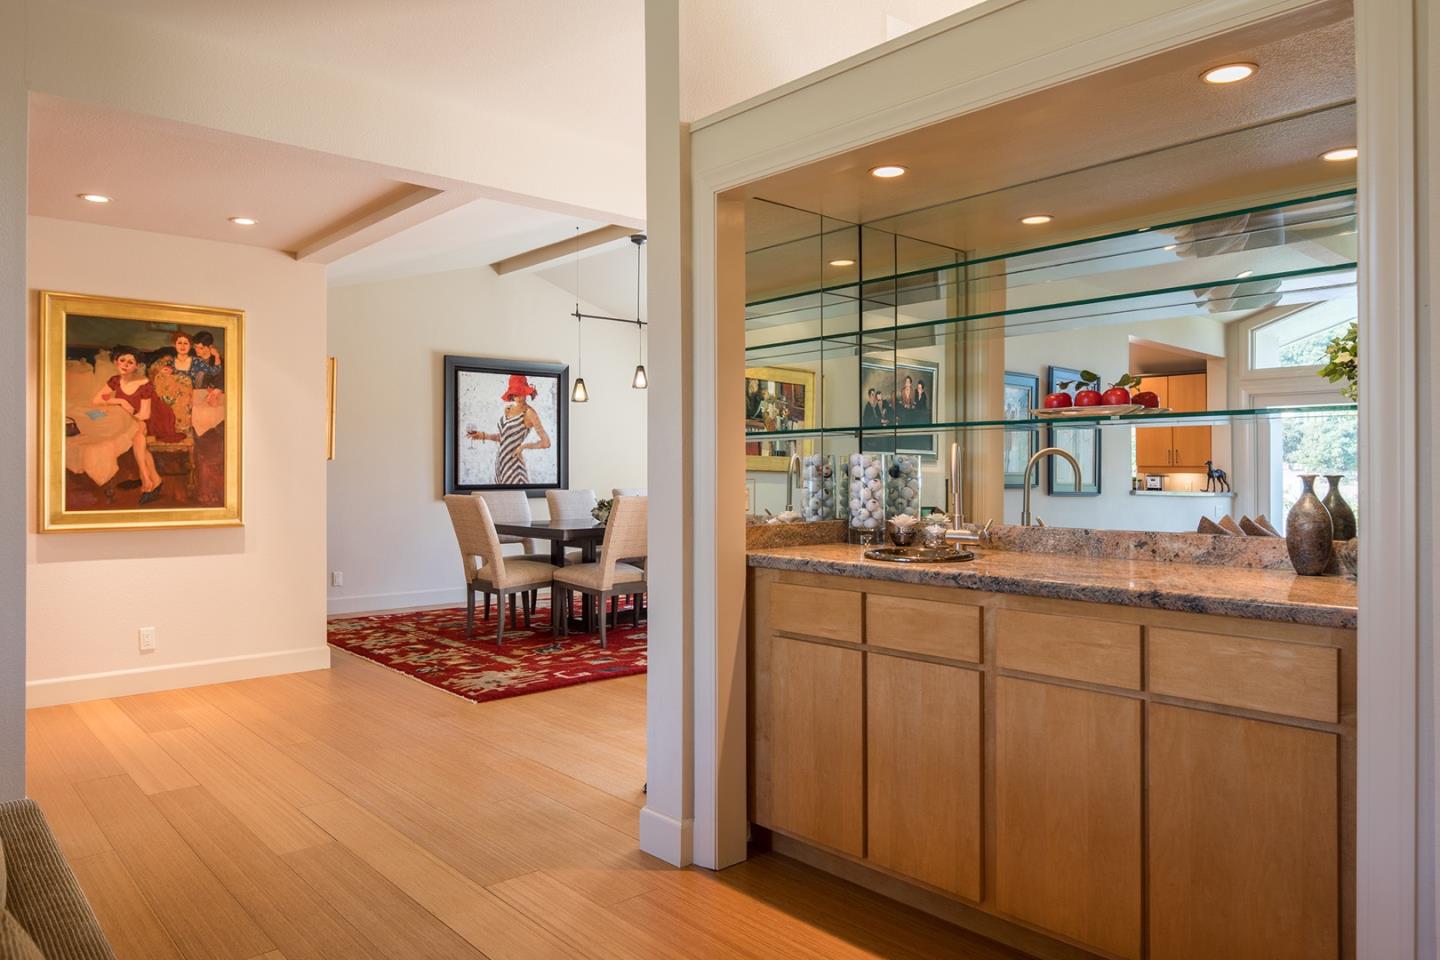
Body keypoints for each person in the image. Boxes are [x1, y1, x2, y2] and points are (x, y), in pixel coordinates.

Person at [91, 345, 184, 504]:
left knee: (137, 432)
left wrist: (128, 411)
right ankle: (153, 479)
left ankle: (145, 478)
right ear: (116, 362)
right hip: (132, 418)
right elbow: (96, 400)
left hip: (157, 417)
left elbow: (145, 415)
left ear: (136, 366)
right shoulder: (115, 380)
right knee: (135, 432)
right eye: (122, 360)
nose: (125, 365)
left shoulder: (144, 383)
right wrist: (119, 400)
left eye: (130, 362)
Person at [467, 374, 552, 485]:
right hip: (501, 463)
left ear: (526, 392)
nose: (519, 397)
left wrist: (523, 447)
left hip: (514, 467)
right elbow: (504, 437)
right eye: (515, 393)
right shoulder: (508, 409)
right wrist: (484, 435)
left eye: (521, 392)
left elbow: (546, 443)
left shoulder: (530, 413)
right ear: (511, 394)